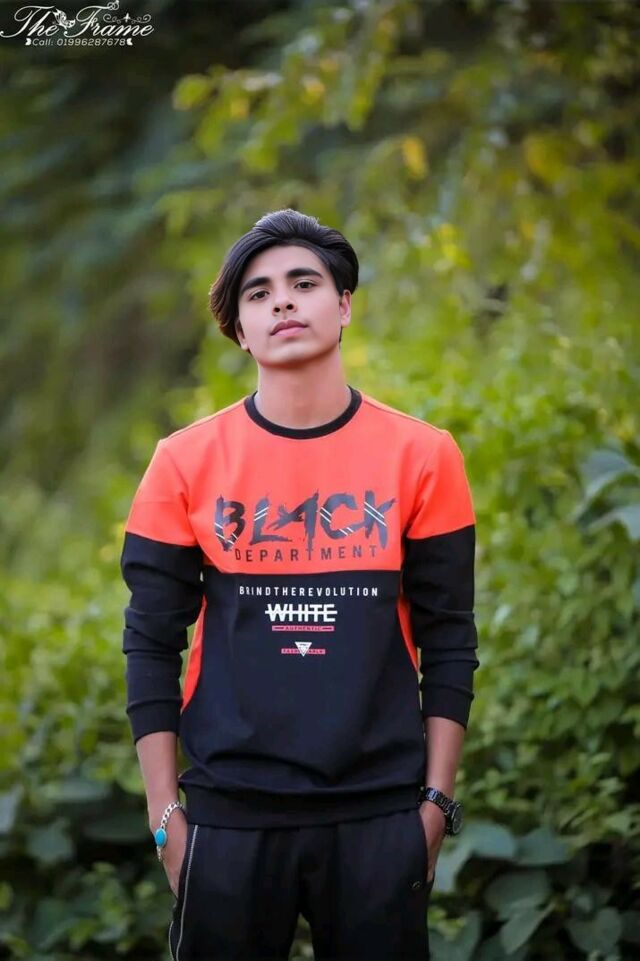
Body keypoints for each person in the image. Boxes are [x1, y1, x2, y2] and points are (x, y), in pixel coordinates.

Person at [121, 209, 479, 961]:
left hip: (380, 816)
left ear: (344, 304)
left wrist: (435, 806)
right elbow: (151, 643)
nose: (282, 300)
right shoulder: (183, 463)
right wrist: (165, 818)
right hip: (228, 818)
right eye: (258, 293)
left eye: (303, 283)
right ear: (240, 331)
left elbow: (450, 637)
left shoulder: (423, 456)